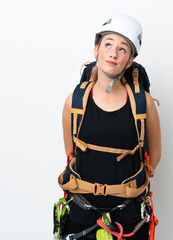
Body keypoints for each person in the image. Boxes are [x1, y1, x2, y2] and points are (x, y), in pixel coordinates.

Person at [60, 14, 161, 240]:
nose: (114, 53)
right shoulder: (74, 103)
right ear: (96, 50)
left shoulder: (143, 103)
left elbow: (153, 156)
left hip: (129, 218)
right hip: (80, 215)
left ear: (131, 59)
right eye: (108, 45)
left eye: (123, 49)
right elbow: (71, 153)